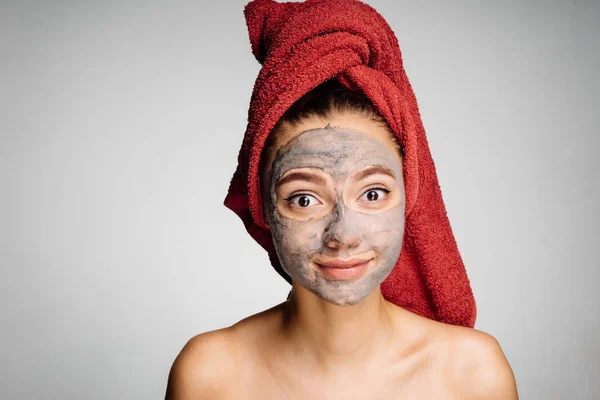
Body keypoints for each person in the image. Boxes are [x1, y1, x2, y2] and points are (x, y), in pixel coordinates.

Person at [166, 1, 518, 398]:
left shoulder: (471, 372)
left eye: (372, 193)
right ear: (262, 206)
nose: (343, 236)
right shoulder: (210, 374)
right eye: (303, 199)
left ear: (410, 196)